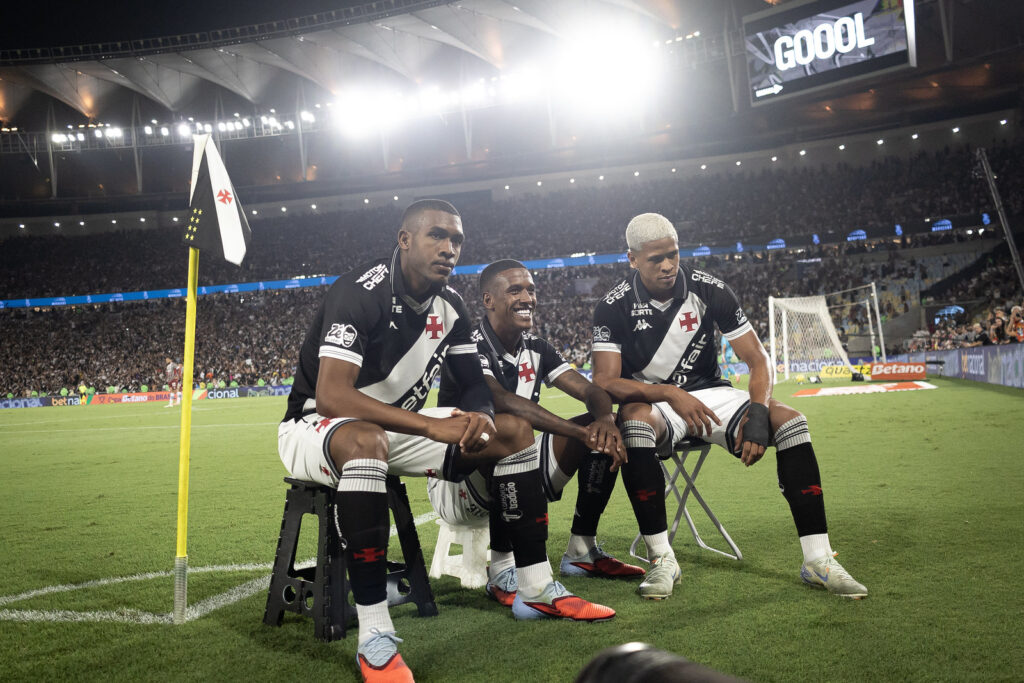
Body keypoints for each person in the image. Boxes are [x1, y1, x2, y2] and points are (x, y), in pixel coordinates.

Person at [276, 200, 610, 683]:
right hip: (314, 427)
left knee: (514, 432)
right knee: (369, 440)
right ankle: (374, 635)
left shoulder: (451, 306)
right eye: (437, 236)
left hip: (392, 429)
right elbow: (330, 396)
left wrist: (478, 416)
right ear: (405, 239)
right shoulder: (359, 292)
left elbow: (474, 383)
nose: (449, 248)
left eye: (457, 240)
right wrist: (431, 426)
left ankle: (533, 586)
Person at [590, 213, 867, 600]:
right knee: (634, 422)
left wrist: (757, 412)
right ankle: (661, 557)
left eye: (673, 254)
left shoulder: (710, 289)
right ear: (632, 259)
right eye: (656, 259)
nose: (668, 265)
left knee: (792, 423)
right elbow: (604, 382)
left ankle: (818, 560)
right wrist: (670, 393)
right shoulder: (611, 305)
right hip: (655, 400)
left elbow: (759, 360)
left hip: (713, 394)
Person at [431, 260, 644, 614]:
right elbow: (499, 399)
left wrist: (604, 420)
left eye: (530, 289)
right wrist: (579, 432)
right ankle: (502, 569)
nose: (527, 297)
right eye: (515, 290)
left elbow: (589, 390)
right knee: (504, 433)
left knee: (605, 429)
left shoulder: (538, 348)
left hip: (522, 465)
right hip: (457, 481)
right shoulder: (467, 345)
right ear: (488, 300)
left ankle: (581, 550)